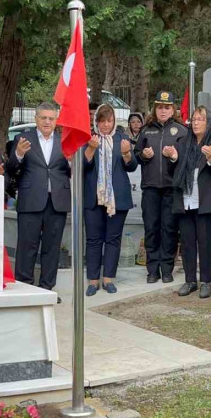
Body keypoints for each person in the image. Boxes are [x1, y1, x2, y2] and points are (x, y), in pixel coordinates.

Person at [5, 102, 72, 293]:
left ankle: (47, 290)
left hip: (56, 202)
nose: (47, 122)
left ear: (56, 120)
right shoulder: (22, 138)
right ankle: (24, 290)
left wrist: (71, 163)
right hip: (31, 201)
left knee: (52, 249)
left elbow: (68, 171)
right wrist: (18, 154)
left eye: (51, 118)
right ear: (36, 119)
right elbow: (10, 169)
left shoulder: (64, 141)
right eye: (43, 118)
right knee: (27, 247)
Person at [172, 106, 211, 298]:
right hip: (185, 200)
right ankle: (190, 281)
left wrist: (210, 158)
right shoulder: (183, 143)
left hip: (205, 201)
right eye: (194, 119)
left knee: (206, 243)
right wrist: (173, 159)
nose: (196, 123)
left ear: (208, 124)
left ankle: (206, 281)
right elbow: (171, 172)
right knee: (188, 243)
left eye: (200, 120)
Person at [83, 104, 138, 296]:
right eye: (102, 121)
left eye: (110, 121)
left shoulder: (122, 138)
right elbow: (80, 167)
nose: (106, 125)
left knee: (113, 240)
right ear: (96, 121)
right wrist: (90, 149)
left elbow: (132, 166)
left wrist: (126, 154)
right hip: (93, 198)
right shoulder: (88, 138)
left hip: (117, 199)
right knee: (93, 240)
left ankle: (108, 279)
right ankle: (93, 280)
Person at [135, 92, 188, 284]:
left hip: (171, 188)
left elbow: (187, 160)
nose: (163, 111)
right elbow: (135, 157)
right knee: (151, 229)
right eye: (159, 107)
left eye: (167, 107)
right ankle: (152, 269)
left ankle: (166, 269)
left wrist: (175, 156)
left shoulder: (181, 131)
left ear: (173, 109)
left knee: (169, 229)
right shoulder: (146, 130)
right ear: (154, 109)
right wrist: (143, 155)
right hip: (150, 188)